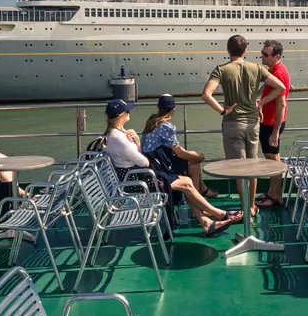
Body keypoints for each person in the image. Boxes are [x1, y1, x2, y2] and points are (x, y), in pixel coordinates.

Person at [107, 99, 240, 236]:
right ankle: (219, 214)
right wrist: (136, 145)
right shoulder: (119, 138)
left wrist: (137, 141)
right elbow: (144, 162)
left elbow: (140, 157)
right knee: (186, 184)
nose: (130, 112)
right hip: (138, 182)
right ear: (120, 115)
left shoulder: (117, 134)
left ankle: (207, 221)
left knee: (187, 182)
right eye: (127, 111)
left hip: (138, 176)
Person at [201, 35, 286, 215]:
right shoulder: (256, 68)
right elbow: (280, 87)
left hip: (232, 125)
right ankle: (252, 206)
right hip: (253, 124)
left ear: (228, 50)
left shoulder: (222, 70)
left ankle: (245, 207)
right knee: (252, 166)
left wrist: (223, 110)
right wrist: (260, 103)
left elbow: (206, 95)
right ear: (245, 51)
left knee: (239, 168)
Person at [141, 94, 218, 198]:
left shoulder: (151, 121)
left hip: (153, 161)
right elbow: (180, 153)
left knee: (193, 156)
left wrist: (195, 157)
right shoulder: (166, 126)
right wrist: (198, 158)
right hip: (161, 166)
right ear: (173, 109)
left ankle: (202, 189)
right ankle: (198, 199)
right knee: (194, 165)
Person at [256, 40, 290, 209]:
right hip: (269, 121)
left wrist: (275, 131)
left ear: (277, 56)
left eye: (265, 54)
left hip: (271, 123)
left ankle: (276, 195)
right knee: (271, 158)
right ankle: (272, 191)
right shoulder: (274, 69)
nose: (261, 56)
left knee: (273, 160)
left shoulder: (279, 73)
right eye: (262, 52)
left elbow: (281, 104)